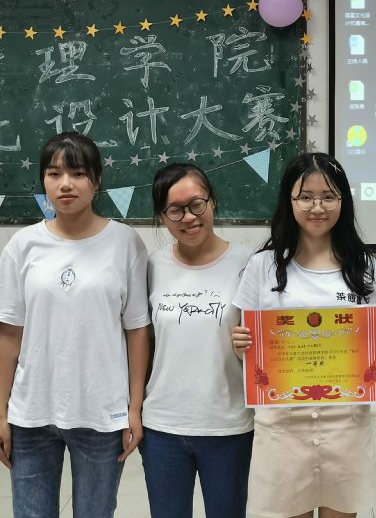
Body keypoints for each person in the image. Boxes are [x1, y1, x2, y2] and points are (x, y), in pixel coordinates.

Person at [0, 132, 150, 518]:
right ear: (43, 180)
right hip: (31, 414)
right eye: (54, 173)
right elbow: (10, 333)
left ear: (97, 180)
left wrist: (134, 408)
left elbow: (137, 330)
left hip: (101, 413)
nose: (65, 184)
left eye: (77, 173)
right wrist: (0, 415)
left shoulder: (125, 243)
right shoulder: (23, 245)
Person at [230, 152, 376, 518]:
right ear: (289, 201)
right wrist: (242, 346)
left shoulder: (364, 267)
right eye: (305, 197)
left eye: (328, 196)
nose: (317, 207)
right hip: (283, 424)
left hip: (346, 424)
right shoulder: (263, 265)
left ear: (343, 201)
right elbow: (249, 352)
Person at [139, 163, 253, 518]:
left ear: (212, 201)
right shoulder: (151, 266)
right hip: (162, 426)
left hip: (228, 423)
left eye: (196, 204)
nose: (188, 217)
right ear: (162, 216)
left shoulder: (249, 264)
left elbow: (264, 347)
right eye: (175, 210)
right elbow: (140, 343)